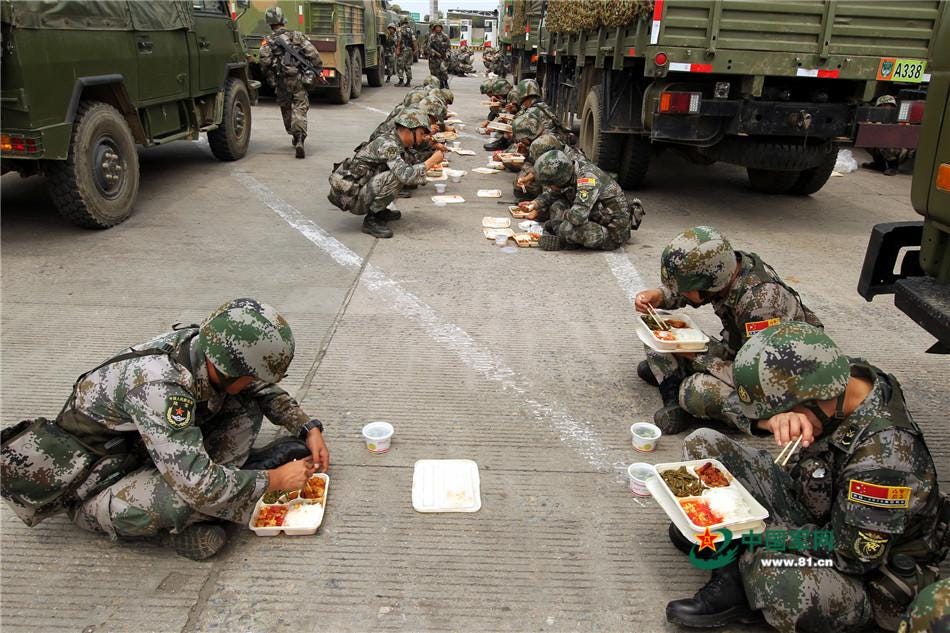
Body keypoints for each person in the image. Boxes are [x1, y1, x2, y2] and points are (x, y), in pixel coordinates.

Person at [666, 321, 948, 632]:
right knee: (704, 446)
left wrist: (756, 533)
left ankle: (735, 575)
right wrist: (773, 419)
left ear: (814, 399)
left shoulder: (884, 462)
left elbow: (849, 554)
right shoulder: (846, 377)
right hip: (818, 500)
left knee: (777, 579)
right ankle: (730, 550)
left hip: (862, 568)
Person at [0, 298, 331, 560]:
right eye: (251, 374)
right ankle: (181, 530)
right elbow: (198, 486)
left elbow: (257, 389)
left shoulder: (206, 348)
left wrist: (307, 427)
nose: (256, 382)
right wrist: (274, 480)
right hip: (97, 487)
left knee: (243, 403)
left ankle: (230, 488)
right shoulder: (159, 388)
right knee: (186, 501)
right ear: (227, 367)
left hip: (144, 452)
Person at [633, 226, 823, 435]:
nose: (681, 293)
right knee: (659, 328)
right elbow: (696, 291)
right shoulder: (726, 267)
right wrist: (660, 296)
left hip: (780, 379)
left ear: (712, 283)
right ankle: (672, 394)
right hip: (744, 350)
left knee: (696, 390)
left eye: (684, 289)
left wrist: (698, 358)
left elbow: (761, 379)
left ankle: (683, 391)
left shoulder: (762, 305)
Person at [327, 110, 443, 238]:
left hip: (360, 190)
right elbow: (405, 175)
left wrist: (431, 154)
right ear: (408, 130)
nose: (422, 139)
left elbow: (413, 160)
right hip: (351, 198)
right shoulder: (389, 145)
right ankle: (372, 220)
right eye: (421, 133)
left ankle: (379, 210)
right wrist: (432, 161)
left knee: (401, 170)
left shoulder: (396, 141)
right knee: (397, 177)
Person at [519, 149, 643, 251]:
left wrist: (560, 217)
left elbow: (577, 217)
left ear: (561, 178)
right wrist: (535, 204)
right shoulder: (573, 169)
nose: (550, 186)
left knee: (566, 228)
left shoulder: (587, 179)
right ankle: (567, 238)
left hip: (613, 232)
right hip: (596, 216)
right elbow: (554, 194)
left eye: (551, 183)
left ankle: (565, 242)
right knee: (557, 206)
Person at [258, 6, 324, 159]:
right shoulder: (297, 36)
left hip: (281, 79)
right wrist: (318, 68)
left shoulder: (267, 41)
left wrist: (271, 78)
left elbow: (264, 61)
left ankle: (292, 132)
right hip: (299, 78)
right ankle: (299, 137)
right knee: (300, 106)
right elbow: (313, 54)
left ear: (269, 23)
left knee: (286, 108)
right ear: (283, 20)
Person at [861, 95, 915, 176]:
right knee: (867, 138)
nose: (885, 108)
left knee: (885, 140)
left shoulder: (899, 117)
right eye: (882, 106)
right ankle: (880, 165)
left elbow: (906, 134)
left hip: (901, 149)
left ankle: (893, 167)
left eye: (887, 105)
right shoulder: (877, 117)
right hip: (888, 147)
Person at [426, 21, 451, 89]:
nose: (438, 29)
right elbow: (429, 47)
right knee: (434, 72)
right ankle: (437, 84)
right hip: (434, 58)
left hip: (443, 57)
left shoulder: (445, 36)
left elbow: (449, 47)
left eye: (439, 27)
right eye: (436, 27)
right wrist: (435, 53)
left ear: (441, 28)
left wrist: (447, 55)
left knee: (443, 71)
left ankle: (445, 83)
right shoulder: (432, 36)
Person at [395, 17, 416, 87]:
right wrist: (415, 49)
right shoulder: (410, 30)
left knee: (399, 65)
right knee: (408, 65)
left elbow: (399, 40)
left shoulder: (400, 29)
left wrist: (397, 48)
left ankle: (401, 81)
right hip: (409, 49)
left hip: (403, 50)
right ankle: (408, 82)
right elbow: (414, 40)